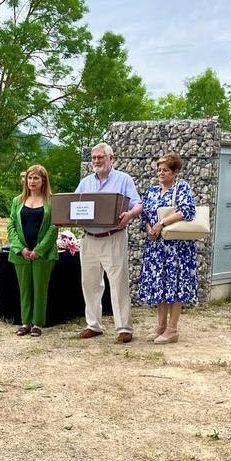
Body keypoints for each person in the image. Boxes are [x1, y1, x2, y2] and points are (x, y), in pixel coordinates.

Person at [75, 142, 143, 343]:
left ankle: (124, 328)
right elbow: (74, 204)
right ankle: (94, 325)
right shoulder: (86, 182)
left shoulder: (123, 179)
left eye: (100, 157)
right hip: (89, 238)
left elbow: (138, 204)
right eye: (94, 158)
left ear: (111, 159)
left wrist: (129, 214)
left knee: (118, 283)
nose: (96, 161)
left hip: (113, 237)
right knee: (89, 284)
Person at [137, 152, 198, 344]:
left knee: (175, 284)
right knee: (159, 285)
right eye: (159, 170)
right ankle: (161, 326)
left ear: (175, 172)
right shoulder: (153, 191)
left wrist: (161, 223)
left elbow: (187, 210)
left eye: (165, 170)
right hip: (156, 247)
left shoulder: (181, 188)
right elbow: (145, 215)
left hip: (177, 249)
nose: (161, 173)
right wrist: (149, 228)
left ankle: (172, 329)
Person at [7, 165, 58, 337]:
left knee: (40, 288)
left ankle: (37, 323)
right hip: (21, 253)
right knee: (25, 289)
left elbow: (53, 228)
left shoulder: (51, 202)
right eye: (29, 178)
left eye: (36, 178)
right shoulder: (17, 201)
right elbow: (11, 225)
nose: (32, 181)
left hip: (42, 254)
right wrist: (20, 248)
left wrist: (39, 249)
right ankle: (25, 322)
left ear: (43, 180)